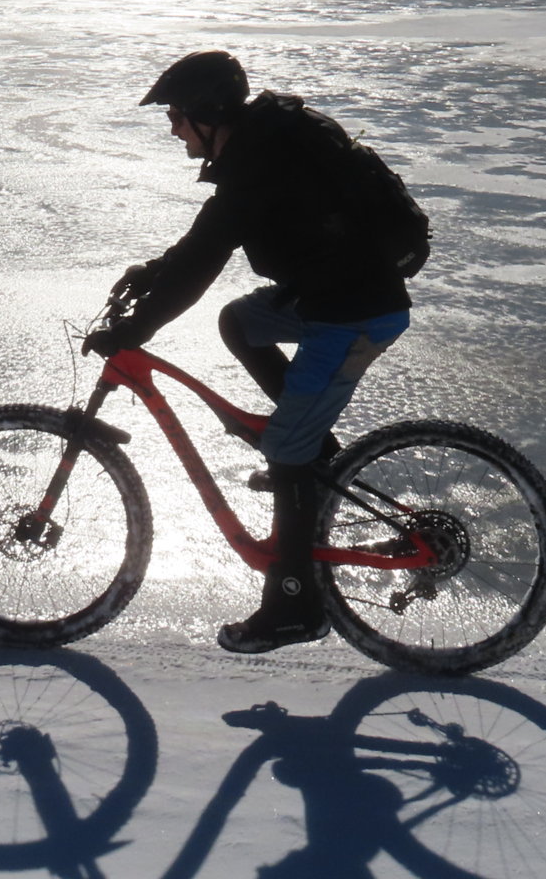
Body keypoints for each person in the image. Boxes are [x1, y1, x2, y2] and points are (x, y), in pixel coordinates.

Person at [83, 51, 420, 654]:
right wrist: (154, 271)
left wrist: (138, 330)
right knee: (242, 321)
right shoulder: (261, 150)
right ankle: (308, 446)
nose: (172, 128)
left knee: (285, 449)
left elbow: (207, 255)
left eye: (178, 116)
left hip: (352, 314)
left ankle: (296, 604)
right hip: (328, 294)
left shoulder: (260, 161)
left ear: (210, 114)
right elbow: (208, 239)